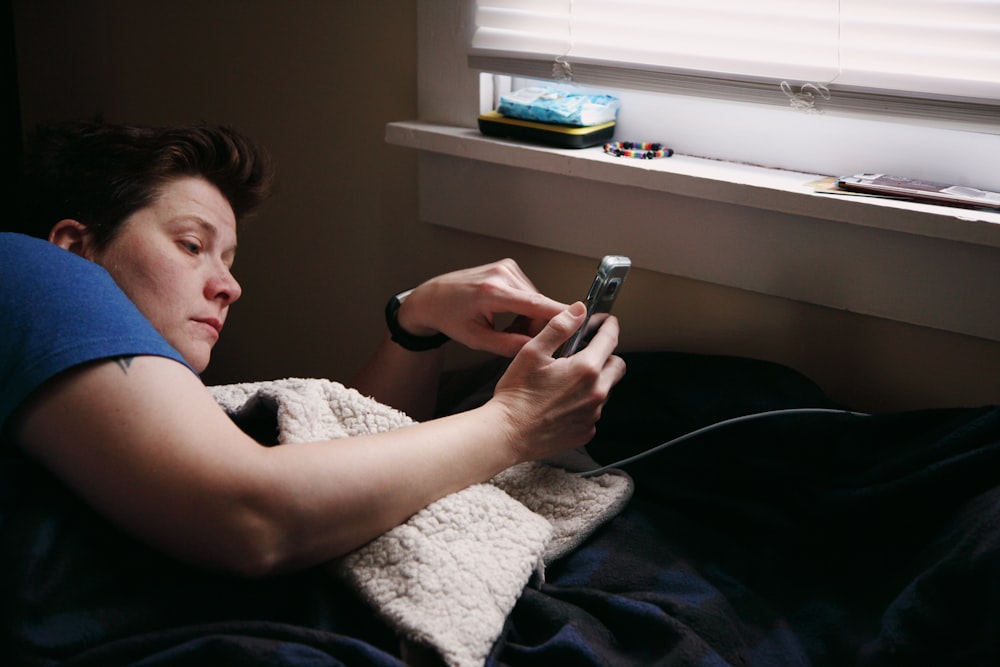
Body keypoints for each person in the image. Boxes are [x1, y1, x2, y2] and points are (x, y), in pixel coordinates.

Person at [0, 121, 625, 660]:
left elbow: (334, 459)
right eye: (192, 245)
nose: (229, 286)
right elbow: (250, 514)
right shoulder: (29, 266)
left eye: (230, 260)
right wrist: (512, 424)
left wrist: (414, 324)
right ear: (75, 246)